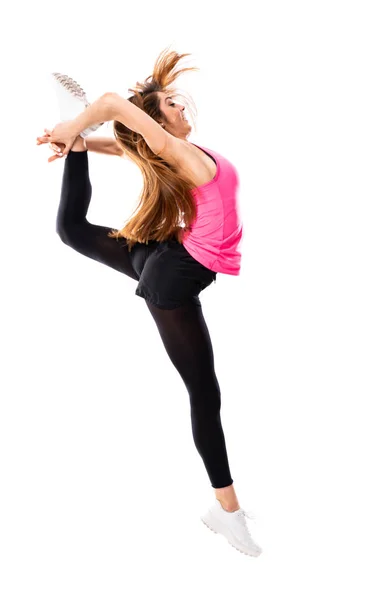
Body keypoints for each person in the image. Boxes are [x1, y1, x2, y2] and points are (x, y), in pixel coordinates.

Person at [36, 48, 261, 557]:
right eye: (172, 106)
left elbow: (129, 149)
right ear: (157, 121)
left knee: (72, 230)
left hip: (169, 254)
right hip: (173, 279)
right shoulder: (180, 152)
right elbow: (115, 103)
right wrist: (75, 123)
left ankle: (70, 151)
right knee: (204, 393)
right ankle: (227, 514)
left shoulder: (183, 150)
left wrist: (76, 141)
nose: (183, 109)